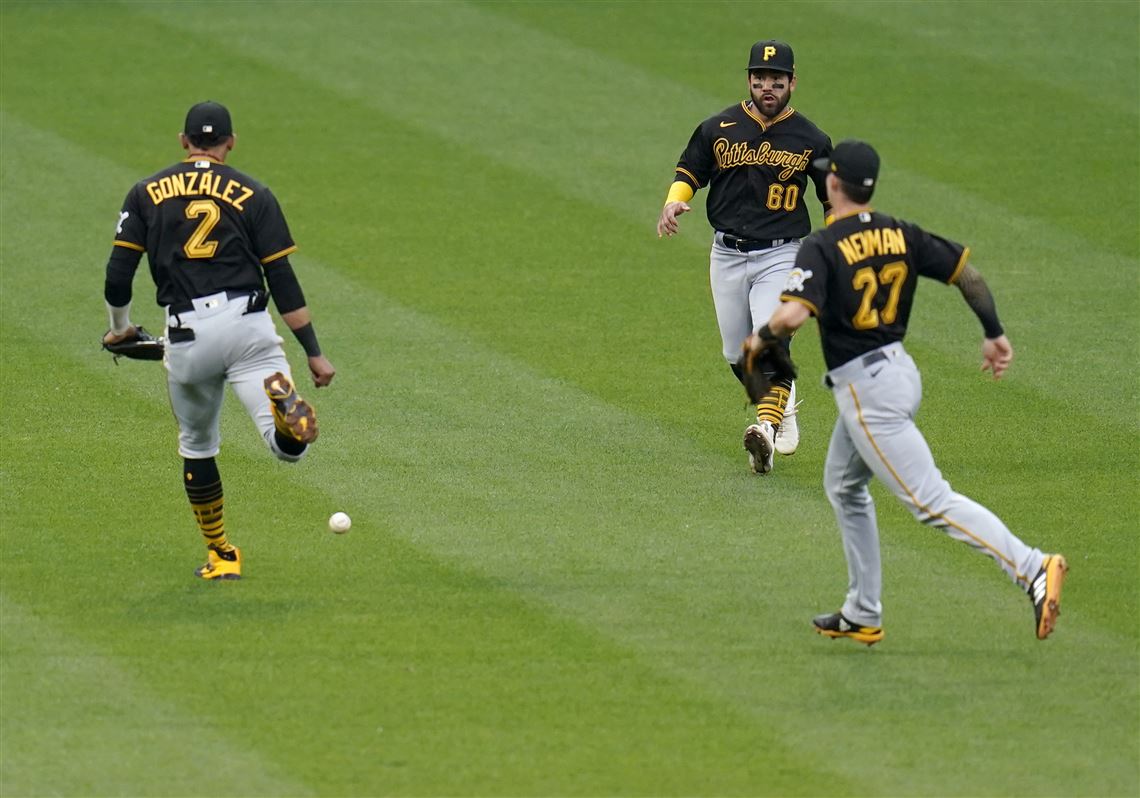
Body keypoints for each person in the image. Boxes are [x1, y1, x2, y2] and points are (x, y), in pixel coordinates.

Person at [744, 139, 1067, 643]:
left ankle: (1032, 567)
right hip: (898, 372)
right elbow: (968, 274)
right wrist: (994, 332)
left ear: (832, 184)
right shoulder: (900, 231)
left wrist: (758, 337)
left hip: (868, 394)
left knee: (929, 499)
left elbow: (793, 314)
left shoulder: (823, 245)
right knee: (845, 487)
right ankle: (862, 610)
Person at [101, 101, 336, 580]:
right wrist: (313, 351)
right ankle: (285, 415)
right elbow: (282, 276)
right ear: (230, 141)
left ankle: (221, 555)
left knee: (198, 444)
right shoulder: (253, 192)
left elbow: (117, 275)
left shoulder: (146, 192)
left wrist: (121, 328)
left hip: (186, 335)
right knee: (288, 450)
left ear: (183, 141)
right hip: (249, 326)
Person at [657, 39, 832, 476]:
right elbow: (689, 170)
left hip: (782, 253)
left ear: (792, 83)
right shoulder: (719, 127)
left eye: (776, 81)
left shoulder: (812, 139)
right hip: (727, 253)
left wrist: (833, 250)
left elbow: (834, 200)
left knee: (768, 340)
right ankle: (782, 405)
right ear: (749, 81)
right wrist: (673, 201)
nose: (766, 87)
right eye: (759, 79)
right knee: (737, 353)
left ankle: (766, 431)